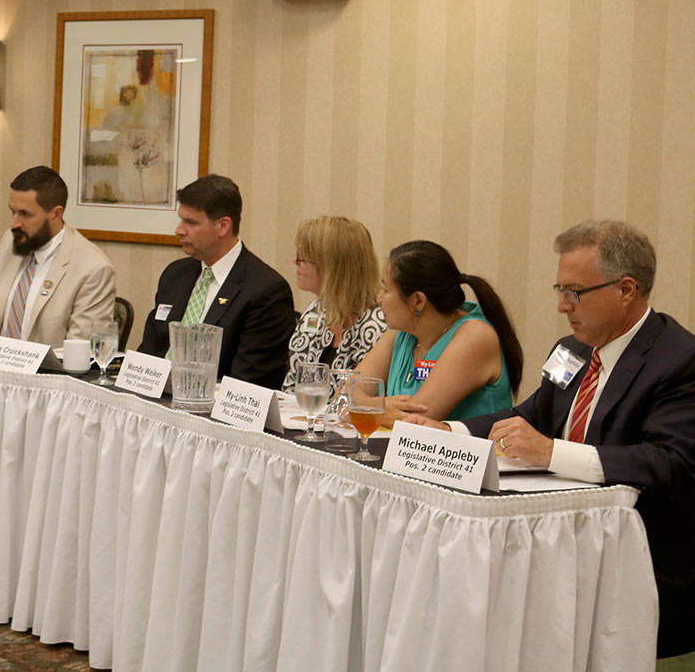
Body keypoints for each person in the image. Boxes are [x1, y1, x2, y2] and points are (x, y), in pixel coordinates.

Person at [406, 221, 695, 659]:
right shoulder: (572, 350)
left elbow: (668, 463)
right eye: (559, 289)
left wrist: (551, 452)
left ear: (626, 290)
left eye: (575, 292)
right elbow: (529, 416)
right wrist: (452, 432)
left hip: (638, 569)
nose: (562, 306)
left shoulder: (679, 360)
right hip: (557, 550)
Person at [137, 174, 295, 389]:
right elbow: (149, 351)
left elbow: (249, 383)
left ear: (223, 226)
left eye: (190, 222)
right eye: (181, 219)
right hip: (154, 403)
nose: (179, 230)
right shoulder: (175, 274)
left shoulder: (266, 290)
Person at [354, 240, 521, 421]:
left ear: (417, 301)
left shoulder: (475, 336)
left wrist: (365, 409)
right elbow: (344, 396)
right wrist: (379, 409)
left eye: (385, 290)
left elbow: (414, 421)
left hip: (466, 449)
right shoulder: (401, 330)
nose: (378, 298)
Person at [0, 165, 116, 346]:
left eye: (25, 214)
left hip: (47, 373)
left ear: (56, 213)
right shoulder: (11, 241)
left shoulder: (93, 268)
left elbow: (81, 349)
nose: (14, 224)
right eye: (13, 212)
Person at [281, 216, 386, 392]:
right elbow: (291, 389)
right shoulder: (315, 312)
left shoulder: (378, 326)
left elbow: (365, 402)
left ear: (331, 268)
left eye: (301, 258)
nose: (295, 262)